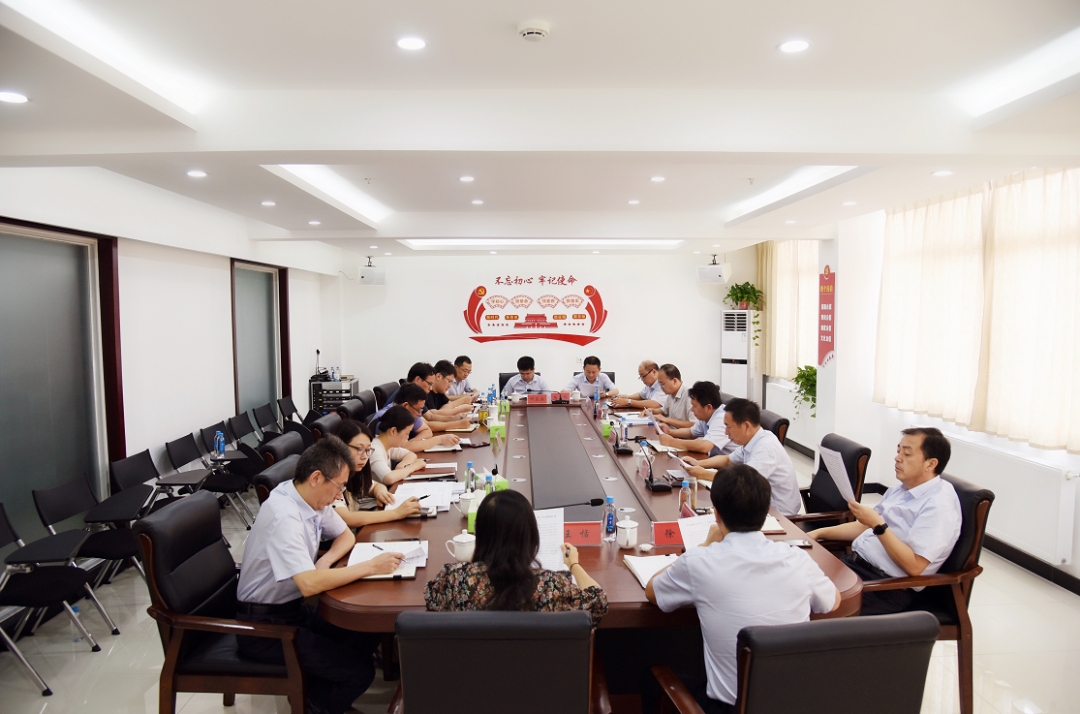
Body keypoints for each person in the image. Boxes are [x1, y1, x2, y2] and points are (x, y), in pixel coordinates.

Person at [643, 464, 840, 714]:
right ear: (765, 513)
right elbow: (833, 601)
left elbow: (653, 592)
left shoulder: (699, 561)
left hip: (731, 708)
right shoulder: (798, 559)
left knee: (651, 678)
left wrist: (704, 545)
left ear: (716, 515)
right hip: (793, 704)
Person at [236, 436, 405, 714]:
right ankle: (316, 705)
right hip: (265, 628)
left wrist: (324, 561)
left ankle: (317, 688)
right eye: (339, 487)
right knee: (359, 673)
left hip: (293, 611)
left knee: (369, 626)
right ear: (316, 477)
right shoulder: (284, 516)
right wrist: (371, 567)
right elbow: (308, 584)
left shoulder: (308, 498)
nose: (340, 496)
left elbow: (345, 536)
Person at [809, 427, 962, 615]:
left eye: (907, 454)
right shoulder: (901, 489)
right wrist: (818, 533)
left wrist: (878, 525)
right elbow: (864, 526)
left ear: (930, 464)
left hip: (883, 588)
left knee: (801, 607)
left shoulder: (939, 506)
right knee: (790, 583)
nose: (898, 458)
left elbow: (915, 566)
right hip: (852, 567)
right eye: (898, 451)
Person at [424, 489, 608, 627]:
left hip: (472, 668)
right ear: (530, 537)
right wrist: (574, 564)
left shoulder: (453, 579)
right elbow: (598, 601)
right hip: (535, 669)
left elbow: (431, 599)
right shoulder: (552, 586)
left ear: (480, 534)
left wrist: (474, 563)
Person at [682, 398, 801, 516]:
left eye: (728, 427)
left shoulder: (766, 447)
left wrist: (704, 474)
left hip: (778, 515)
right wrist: (698, 463)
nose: (726, 432)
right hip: (756, 502)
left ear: (746, 426)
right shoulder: (752, 440)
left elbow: (746, 481)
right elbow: (727, 460)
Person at [333, 419, 422, 525]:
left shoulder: (353, 474)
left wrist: (380, 492)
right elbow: (347, 519)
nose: (365, 456)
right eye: (359, 449)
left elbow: (375, 486)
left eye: (368, 450)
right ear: (340, 446)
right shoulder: (331, 478)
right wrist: (396, 513)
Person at [370, 383, 459, 453]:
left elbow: (427, 431)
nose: (420, 414)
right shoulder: (389, 417)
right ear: (406, 405)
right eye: (418, 410)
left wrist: (412, 443)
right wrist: (439, 439)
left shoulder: (408, 412)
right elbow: (404, 447)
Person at [658, 381, 731, 456]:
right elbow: (691, 433)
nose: (692, 409)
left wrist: (671, 442)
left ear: (708, 407)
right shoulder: (706, 416)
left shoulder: (722, 418)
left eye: (694, 406)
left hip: (728, 463)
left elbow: (704, 446)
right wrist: (669, 432)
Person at [370, 406, 430, 486]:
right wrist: (413, 467)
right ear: (393, 431)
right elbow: (389, 478)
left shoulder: (388, 445)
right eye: (407, 433)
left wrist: (402, 465)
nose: (407, 437)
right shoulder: (375, 449)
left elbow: (410, 454)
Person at [650, 363, 693, 428]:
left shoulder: (690, 396)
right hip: (671, 431)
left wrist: (667, 420)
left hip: (682, 434)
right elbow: (664, 411)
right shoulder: (671, 394)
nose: (661, 387)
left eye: (663, 384)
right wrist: (652, 411)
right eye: (660, 384)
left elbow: (693, 424)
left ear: (674, 381)